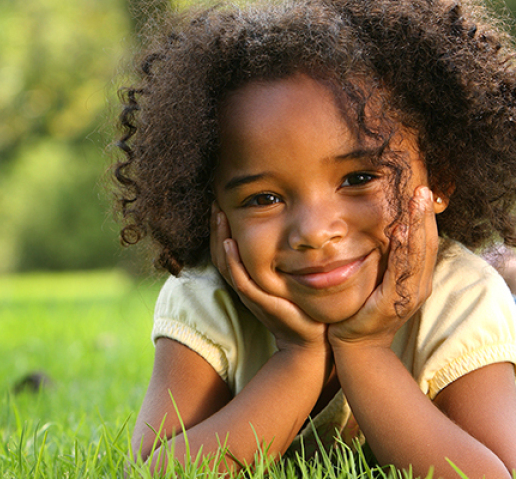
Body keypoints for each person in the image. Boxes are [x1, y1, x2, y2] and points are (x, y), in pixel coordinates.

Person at [113, 0, 516, 476]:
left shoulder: (460, 297)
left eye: (359, 178)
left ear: (441, 177)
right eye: (263, 199)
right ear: (211, 210)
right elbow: (157, 471)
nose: (315, 232)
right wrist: (298, 358)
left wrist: (365, 351)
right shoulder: (206, 300)